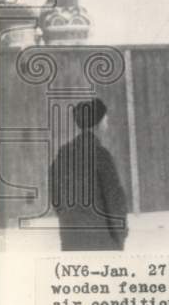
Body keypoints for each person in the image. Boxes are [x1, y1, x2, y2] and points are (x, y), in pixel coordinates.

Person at [48, 98, 129, 251]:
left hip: (70, 239)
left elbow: (55, 196)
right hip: (101, 242)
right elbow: (115, 201)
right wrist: (120, 236)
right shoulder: (101, 156)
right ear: (97, 123)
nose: (107, 121)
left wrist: (69, 218)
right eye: (105, 118)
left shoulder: (62, 155)